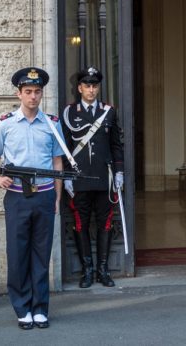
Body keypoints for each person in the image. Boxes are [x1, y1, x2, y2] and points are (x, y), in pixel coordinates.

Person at [0, 67, 64, 330]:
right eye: (28, 92)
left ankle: (40, 308)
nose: (33, 96)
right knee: (18, 253)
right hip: (17, 197)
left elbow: (57, 161)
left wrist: (56, 196)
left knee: (41, 254)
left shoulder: (52, 125)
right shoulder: (5, 124)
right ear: (18, 94)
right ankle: (22, 308)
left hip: (43, 195)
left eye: (37, 91)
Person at [61, 67, 124, 288]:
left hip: (104, 178)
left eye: (94, 86)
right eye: (87, 85)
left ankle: (103, 270)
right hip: (79, 179)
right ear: (79, 88)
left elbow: (116, 144)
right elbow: (65, 148)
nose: (91, 89)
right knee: (81, 224)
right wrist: (67, 176)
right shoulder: (69, 112)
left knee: (105, 223)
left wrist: (119, 172)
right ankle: (87, 270)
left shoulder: (109, 111)